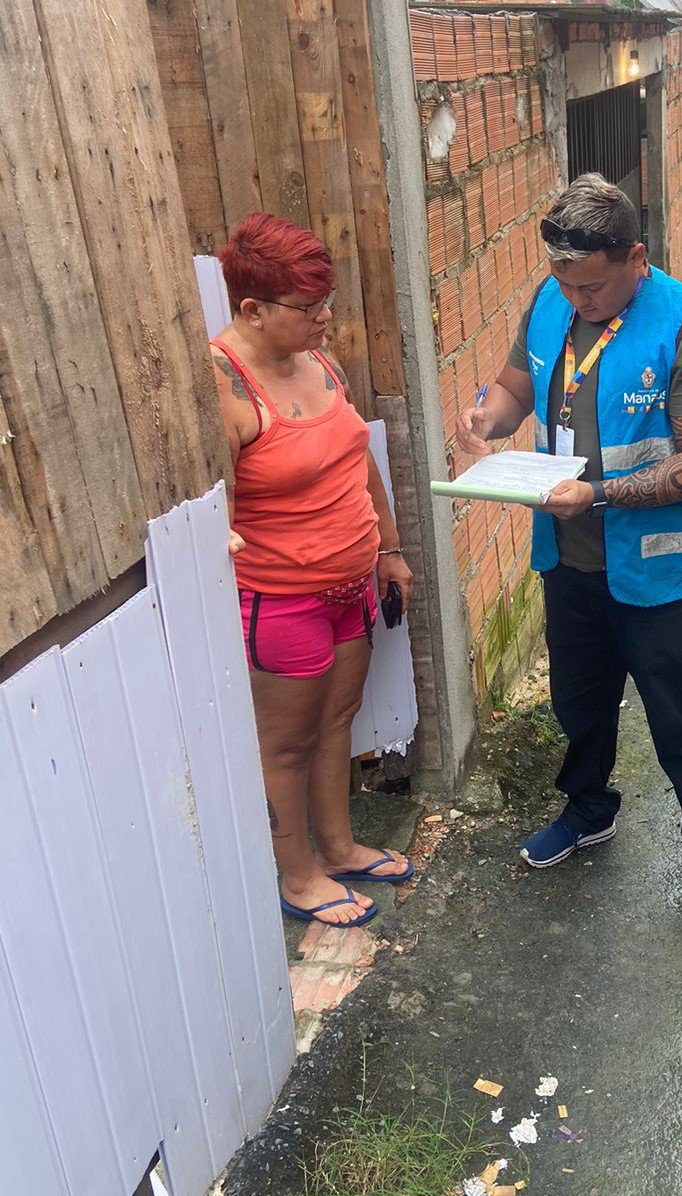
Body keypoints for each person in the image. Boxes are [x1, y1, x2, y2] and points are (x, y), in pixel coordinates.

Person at [456, 173, 682, 910]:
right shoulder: (551, 301)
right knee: (579, 705)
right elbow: (516, 388)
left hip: (655, 572)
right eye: (564, 283)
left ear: (635, 258)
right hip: (568, 559)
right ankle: (588, 810)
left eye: (592, 286)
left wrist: (599, 494)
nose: (577, 300)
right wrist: (488, 419)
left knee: (678, 717)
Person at [211, 212, 415, 929]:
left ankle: (338, 847)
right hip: (281, 603)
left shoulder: (318, 360)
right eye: (308, 307)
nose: (325, 317)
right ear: (252, 310)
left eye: (326, 301)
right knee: (287, 744)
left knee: (337, 720)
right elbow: (214, 515)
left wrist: (388, 549)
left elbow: (358, 458)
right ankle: (298, 877)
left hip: (351, 586)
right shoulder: (223, 389)